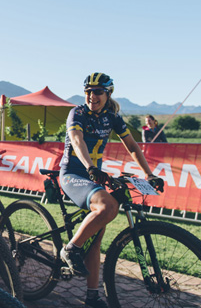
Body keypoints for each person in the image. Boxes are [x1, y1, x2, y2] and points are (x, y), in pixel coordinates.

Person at [58, 72, 164, 308]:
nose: (91, 96)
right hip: (74, 174)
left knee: (96, 239)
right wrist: (91, 167)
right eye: (88, 91)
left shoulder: (112, 117)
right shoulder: (77, 113)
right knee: (107, 206)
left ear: (108, 94)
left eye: (97, 92)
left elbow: (132, 146)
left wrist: (149, 173)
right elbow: (77, 141)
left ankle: (92, 297)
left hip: (94, 175)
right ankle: (70, 250)